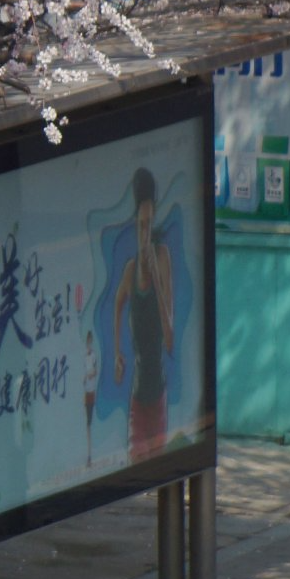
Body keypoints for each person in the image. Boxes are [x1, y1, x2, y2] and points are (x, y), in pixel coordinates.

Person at [112, 166, 175, 460]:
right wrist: (117, 353)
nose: (145, 232)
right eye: (141, 225)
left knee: (160, 465)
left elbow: (170, 340)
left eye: (150, 224)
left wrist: (159, 287)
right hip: (138, 397)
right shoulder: (129, 271)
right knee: (135, 461)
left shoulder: (162, 257)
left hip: (158, 394)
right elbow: (117, 304)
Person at [82, 331, 99, 467]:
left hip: (91, 392)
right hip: (83, 393)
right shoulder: (82, 356)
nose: (89, 342)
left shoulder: (93, 355)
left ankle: (90, 456)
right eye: (87, 340)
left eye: (90, 340)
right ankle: (88, 455)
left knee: (89, 423)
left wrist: (88, 375)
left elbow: (94, 371)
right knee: (86, 424)